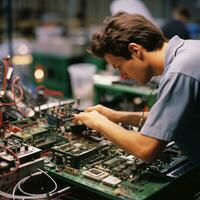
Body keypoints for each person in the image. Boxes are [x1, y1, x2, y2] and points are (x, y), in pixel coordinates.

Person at [74, 12, 200, 166]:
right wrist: (117, 116)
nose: (123, 76)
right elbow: (170, 119)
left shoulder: (180, 71)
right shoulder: (189, 50)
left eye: (119, 67)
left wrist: (99, 123)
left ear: (135, 50)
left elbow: (146, 149)